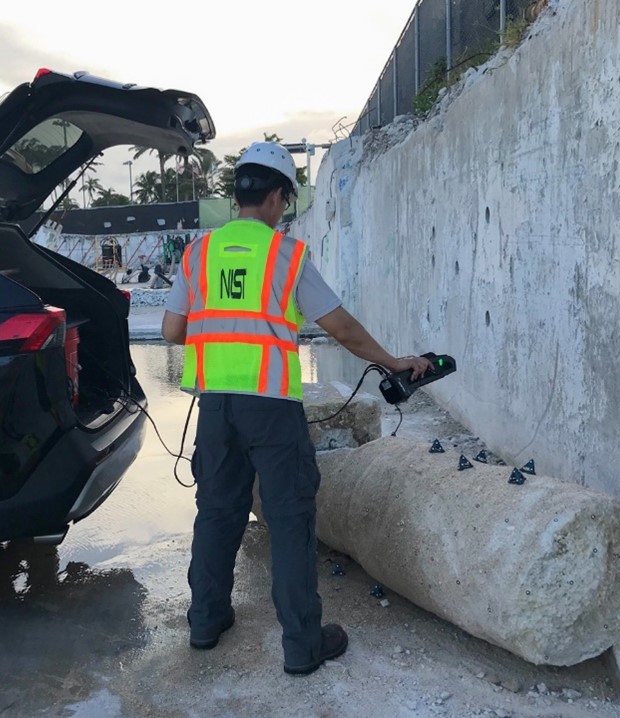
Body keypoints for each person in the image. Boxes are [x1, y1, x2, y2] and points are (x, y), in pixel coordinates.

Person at [161, 142, 432, 676]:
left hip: (215, 408)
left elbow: (172, 330)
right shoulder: (285, 255)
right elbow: (340, 327)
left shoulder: (198, 253)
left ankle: (205, 621)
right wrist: (392, 361)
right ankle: (303, 645)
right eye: (286, 198)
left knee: (217, 511)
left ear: (239, 194)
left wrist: (222, 332)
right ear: (279, 197)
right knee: (289, 518)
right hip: (272, 411)